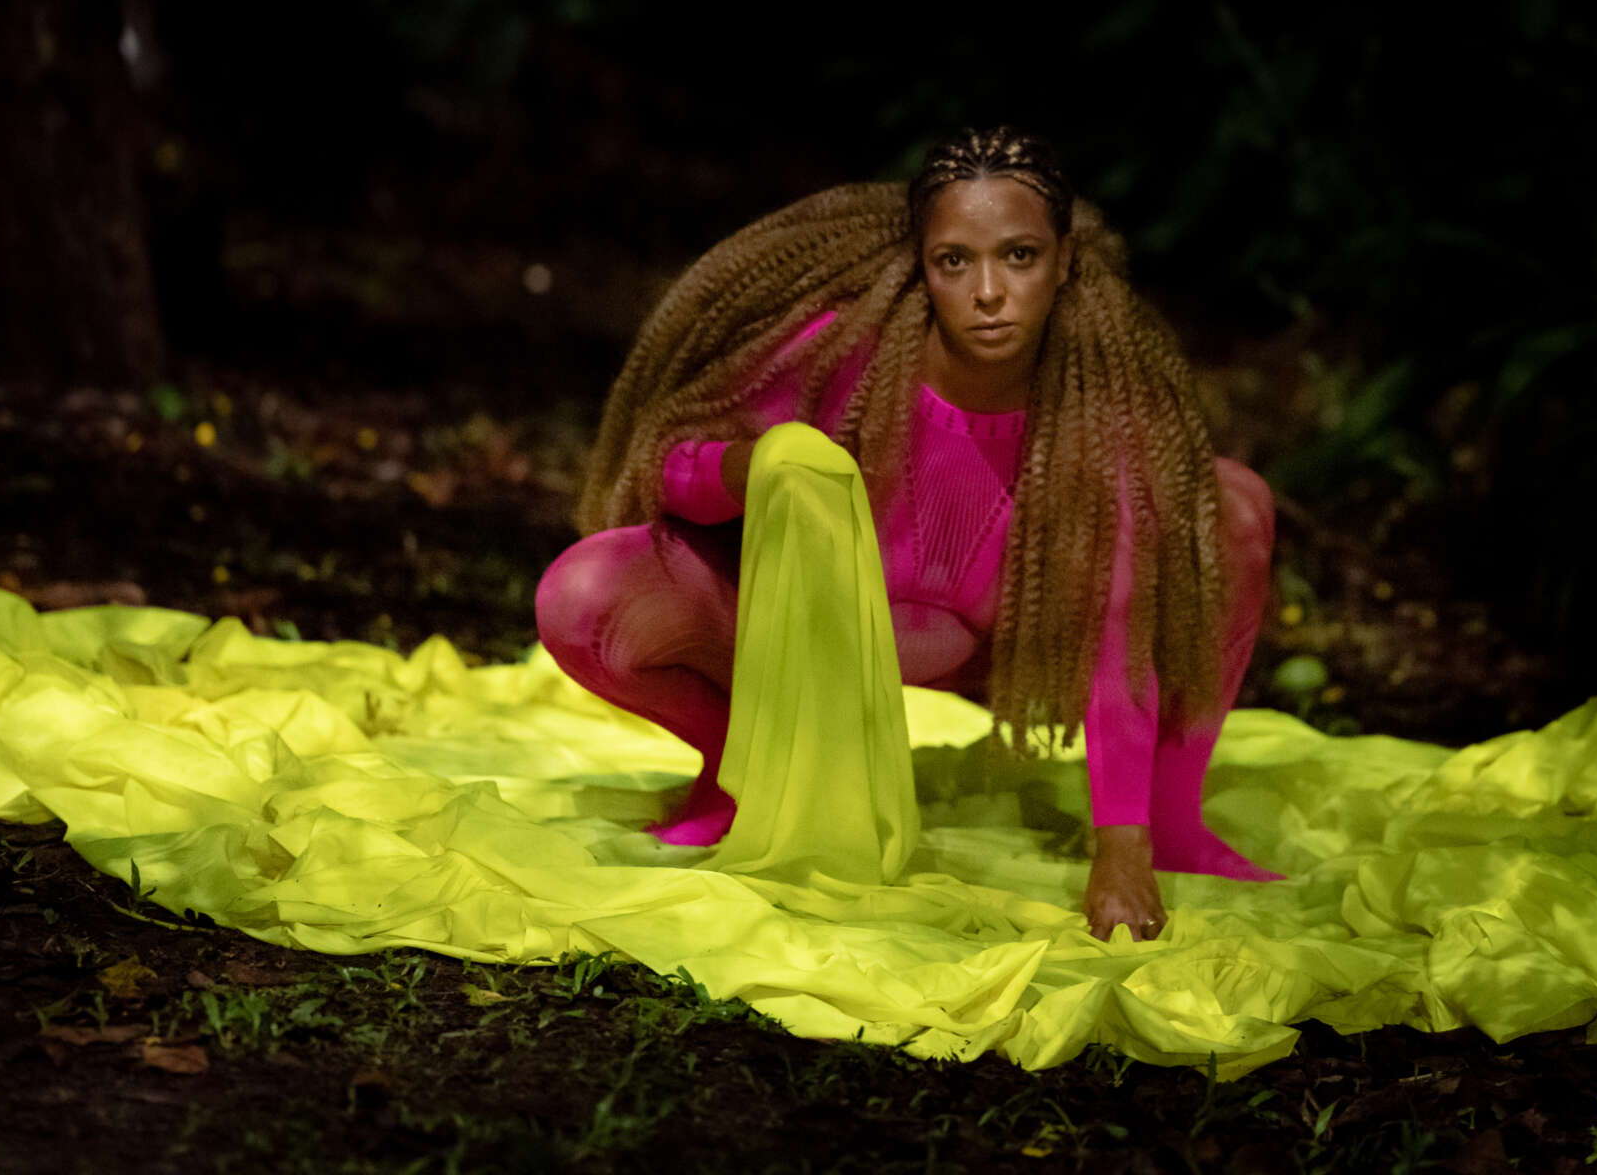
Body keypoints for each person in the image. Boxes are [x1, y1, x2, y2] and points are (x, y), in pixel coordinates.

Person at [535, 127, 1278, 940]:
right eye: (955, 261)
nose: (988, 290)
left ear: (1066, 262)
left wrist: (1122, 849)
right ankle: (740, 776)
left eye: (1019, 256)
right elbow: (665, 465)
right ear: (922, 264)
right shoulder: (848, 355)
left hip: (1018, 650)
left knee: (1232, 505)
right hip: (817, 649)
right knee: (587, 595)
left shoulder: (1103, 408)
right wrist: (751, 469)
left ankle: (1173, 822)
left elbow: (1119, 628)